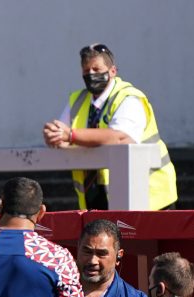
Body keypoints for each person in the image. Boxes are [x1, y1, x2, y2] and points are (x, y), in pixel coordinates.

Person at [42, 43, 177, 211]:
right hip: (99, 197)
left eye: (96, 69)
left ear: (112, 71)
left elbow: (119, 137)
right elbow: (62, 134)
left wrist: (70, 135)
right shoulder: (77, 100)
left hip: (148, 197)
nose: (91, 74)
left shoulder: (129, 97)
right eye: (86, 71)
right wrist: (54, 136)